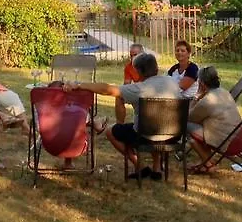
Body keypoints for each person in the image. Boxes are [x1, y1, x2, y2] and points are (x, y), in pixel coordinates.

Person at [65, 51, 180, 180]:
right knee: (156, 123)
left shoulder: (139, 88)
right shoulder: (173, 83)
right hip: (174, 135)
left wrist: (80, 85)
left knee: (111, 132)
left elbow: (107, 89)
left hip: (146, 136)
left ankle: (140, 165)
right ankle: (156, 168)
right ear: (156, 68)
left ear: (138, 72)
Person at [188, 66, 242, 166]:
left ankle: (207, 162)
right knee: (201, 125)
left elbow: (189, 117)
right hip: (239, 136)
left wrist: (196, 96)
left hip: (225, 141)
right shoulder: (224, 92)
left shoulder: (207, 101)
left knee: (185, 124)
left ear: (202, 84)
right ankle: (206, 157)